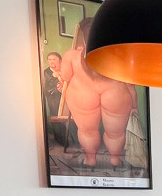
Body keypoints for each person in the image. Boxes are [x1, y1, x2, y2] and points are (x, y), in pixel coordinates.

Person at [58, 18, 137, 168]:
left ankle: (90, 160)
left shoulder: (71, 56)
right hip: (115, 94)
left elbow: (66, 76)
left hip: (83, 94)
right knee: (116, 133)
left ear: (84, 36)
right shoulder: (122, 55)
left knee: (87, 131)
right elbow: (130, 84)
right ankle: (115, 161)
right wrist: (134, 105)